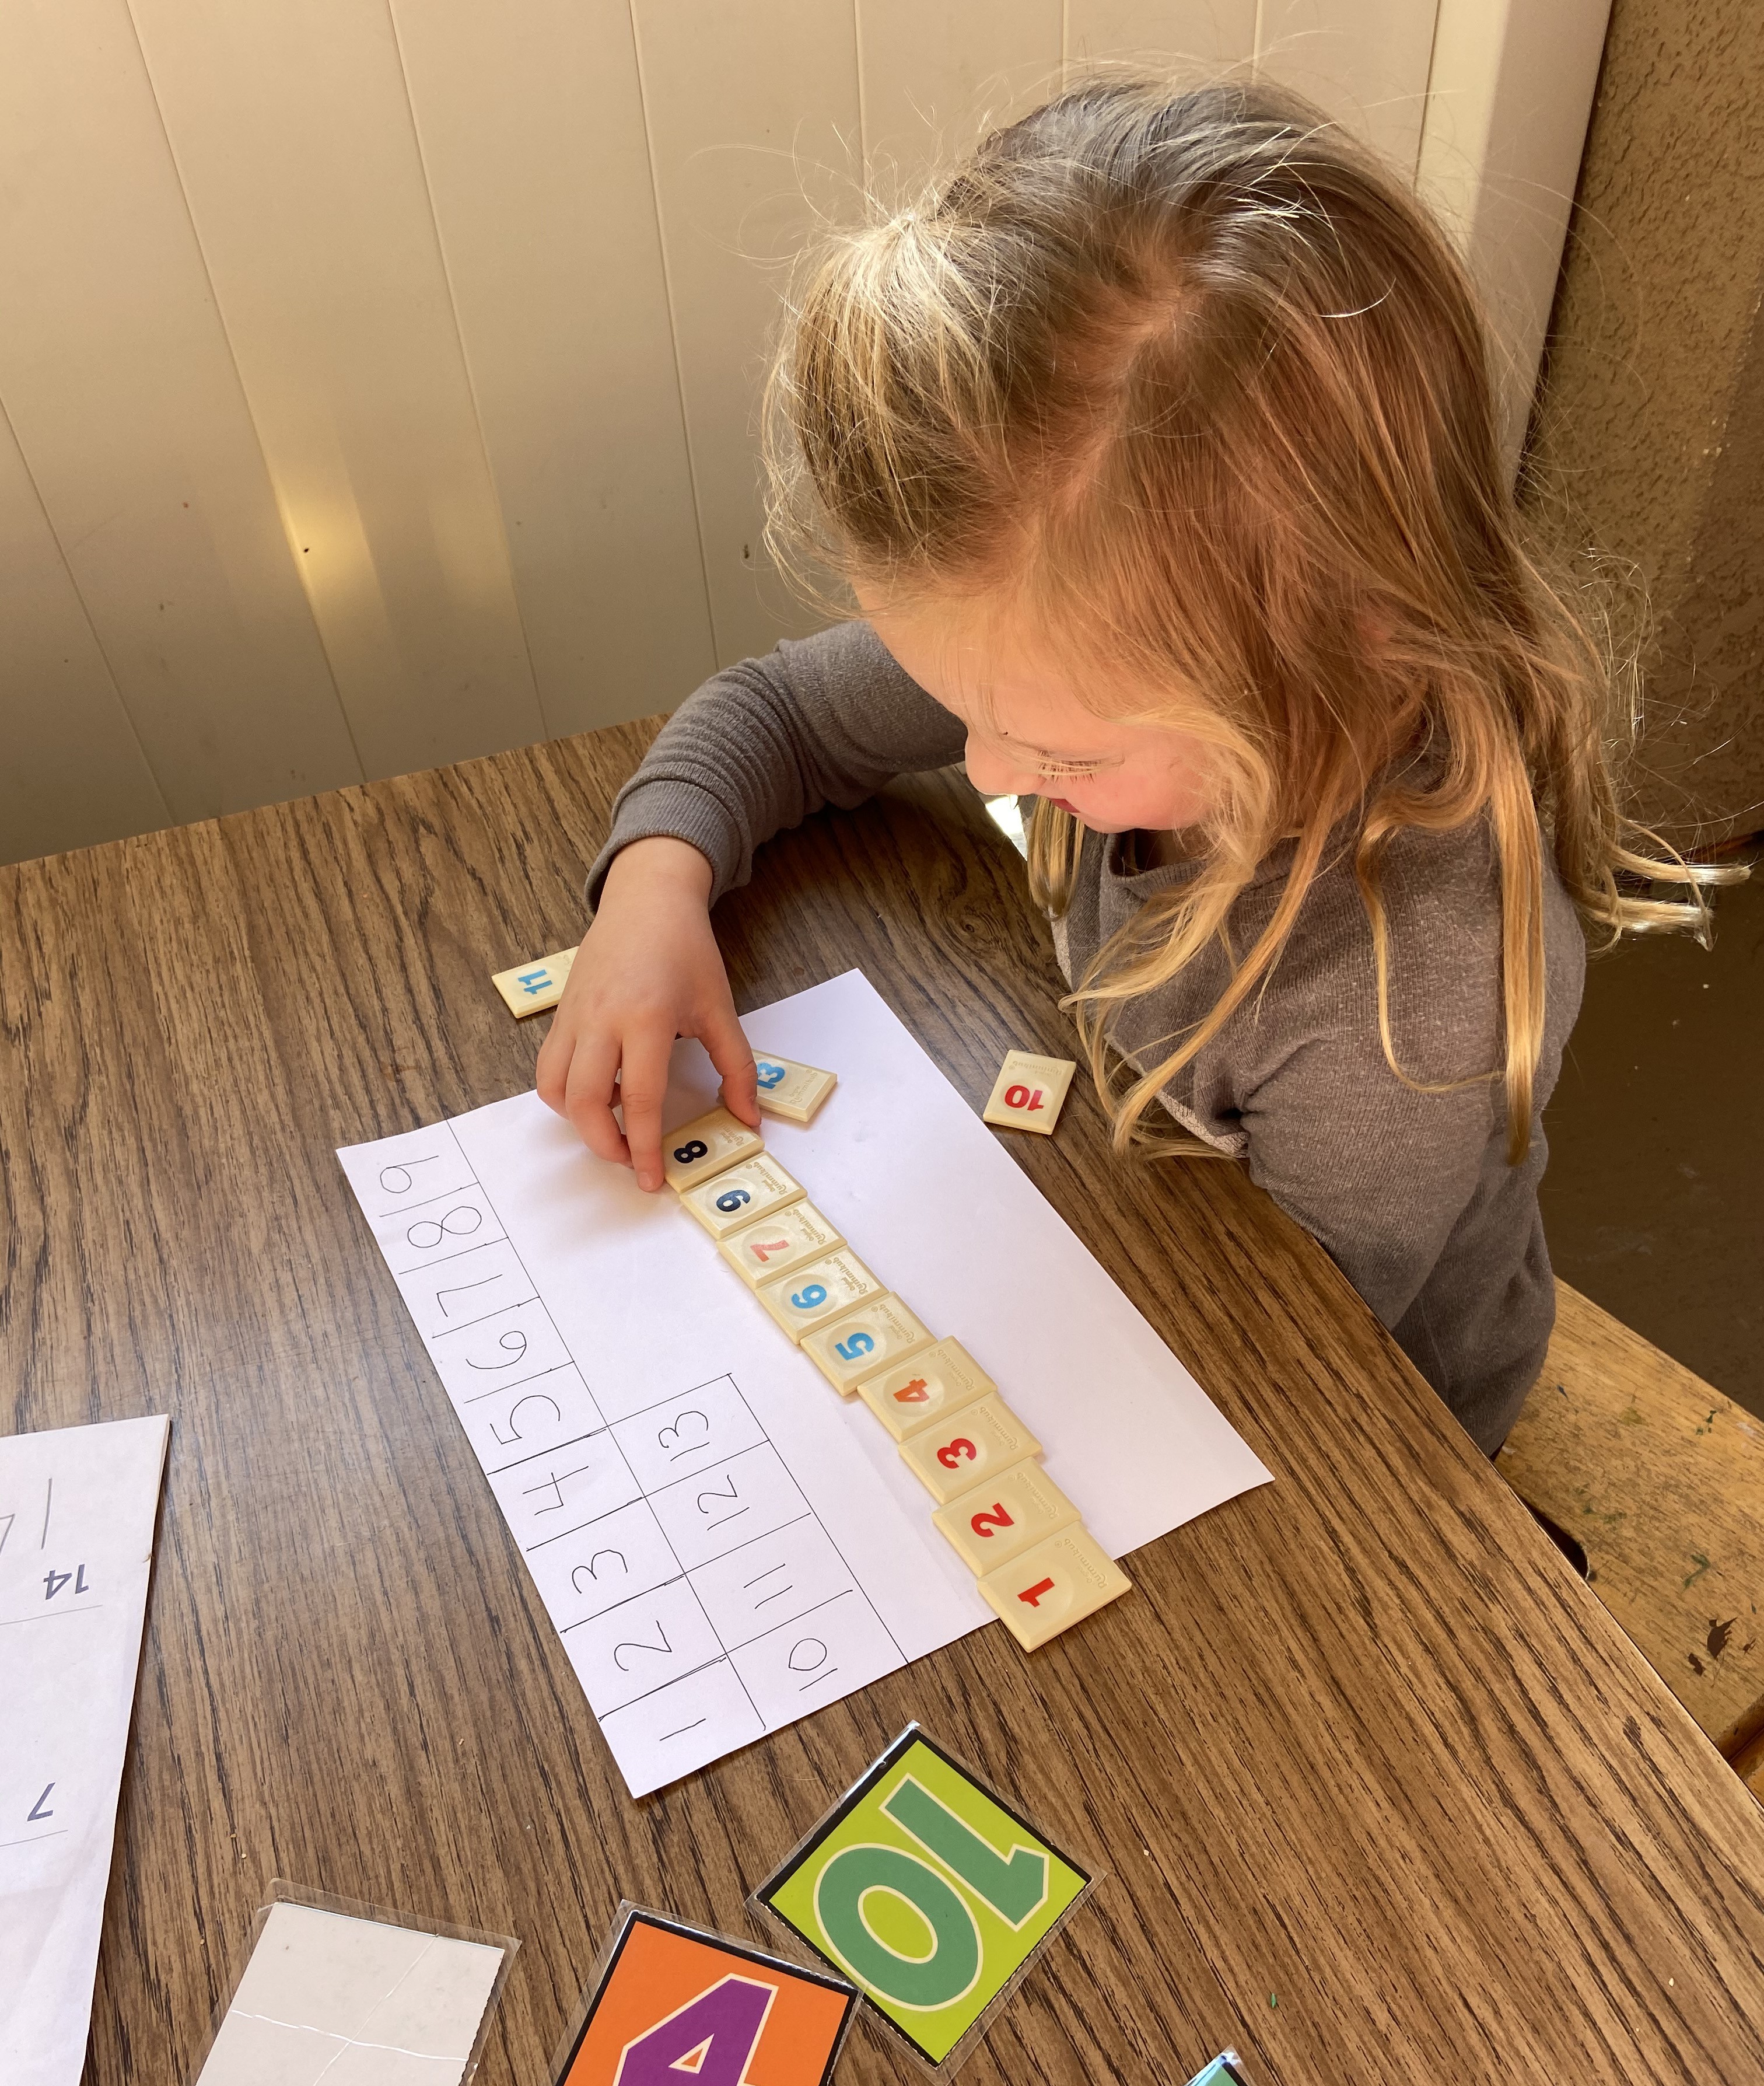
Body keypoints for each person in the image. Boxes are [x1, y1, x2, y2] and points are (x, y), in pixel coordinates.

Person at [536, 75, 1707, 1455]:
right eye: (962, 705)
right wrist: (652, 894)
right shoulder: (1095, 635)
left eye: (1055, 749)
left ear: (1330, 655)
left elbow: (1295, 1371)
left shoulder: (1408, 1012)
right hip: (1144, 1213)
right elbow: (777, 716)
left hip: (1388, 1430)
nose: (983, 763)